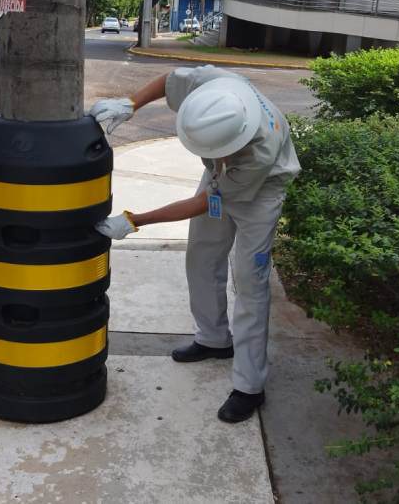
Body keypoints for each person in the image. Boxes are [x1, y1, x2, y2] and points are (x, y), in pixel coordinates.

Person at [90, 65, 301, 423]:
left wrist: (136, 220)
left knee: (251, 283)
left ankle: (250, 386)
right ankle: (214, 339)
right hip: (222, 175)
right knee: (201, 256)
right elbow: (171, 80)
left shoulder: (259, 152)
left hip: (262, 192)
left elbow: (205, 202)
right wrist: (130, 103)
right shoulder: (214, 85)